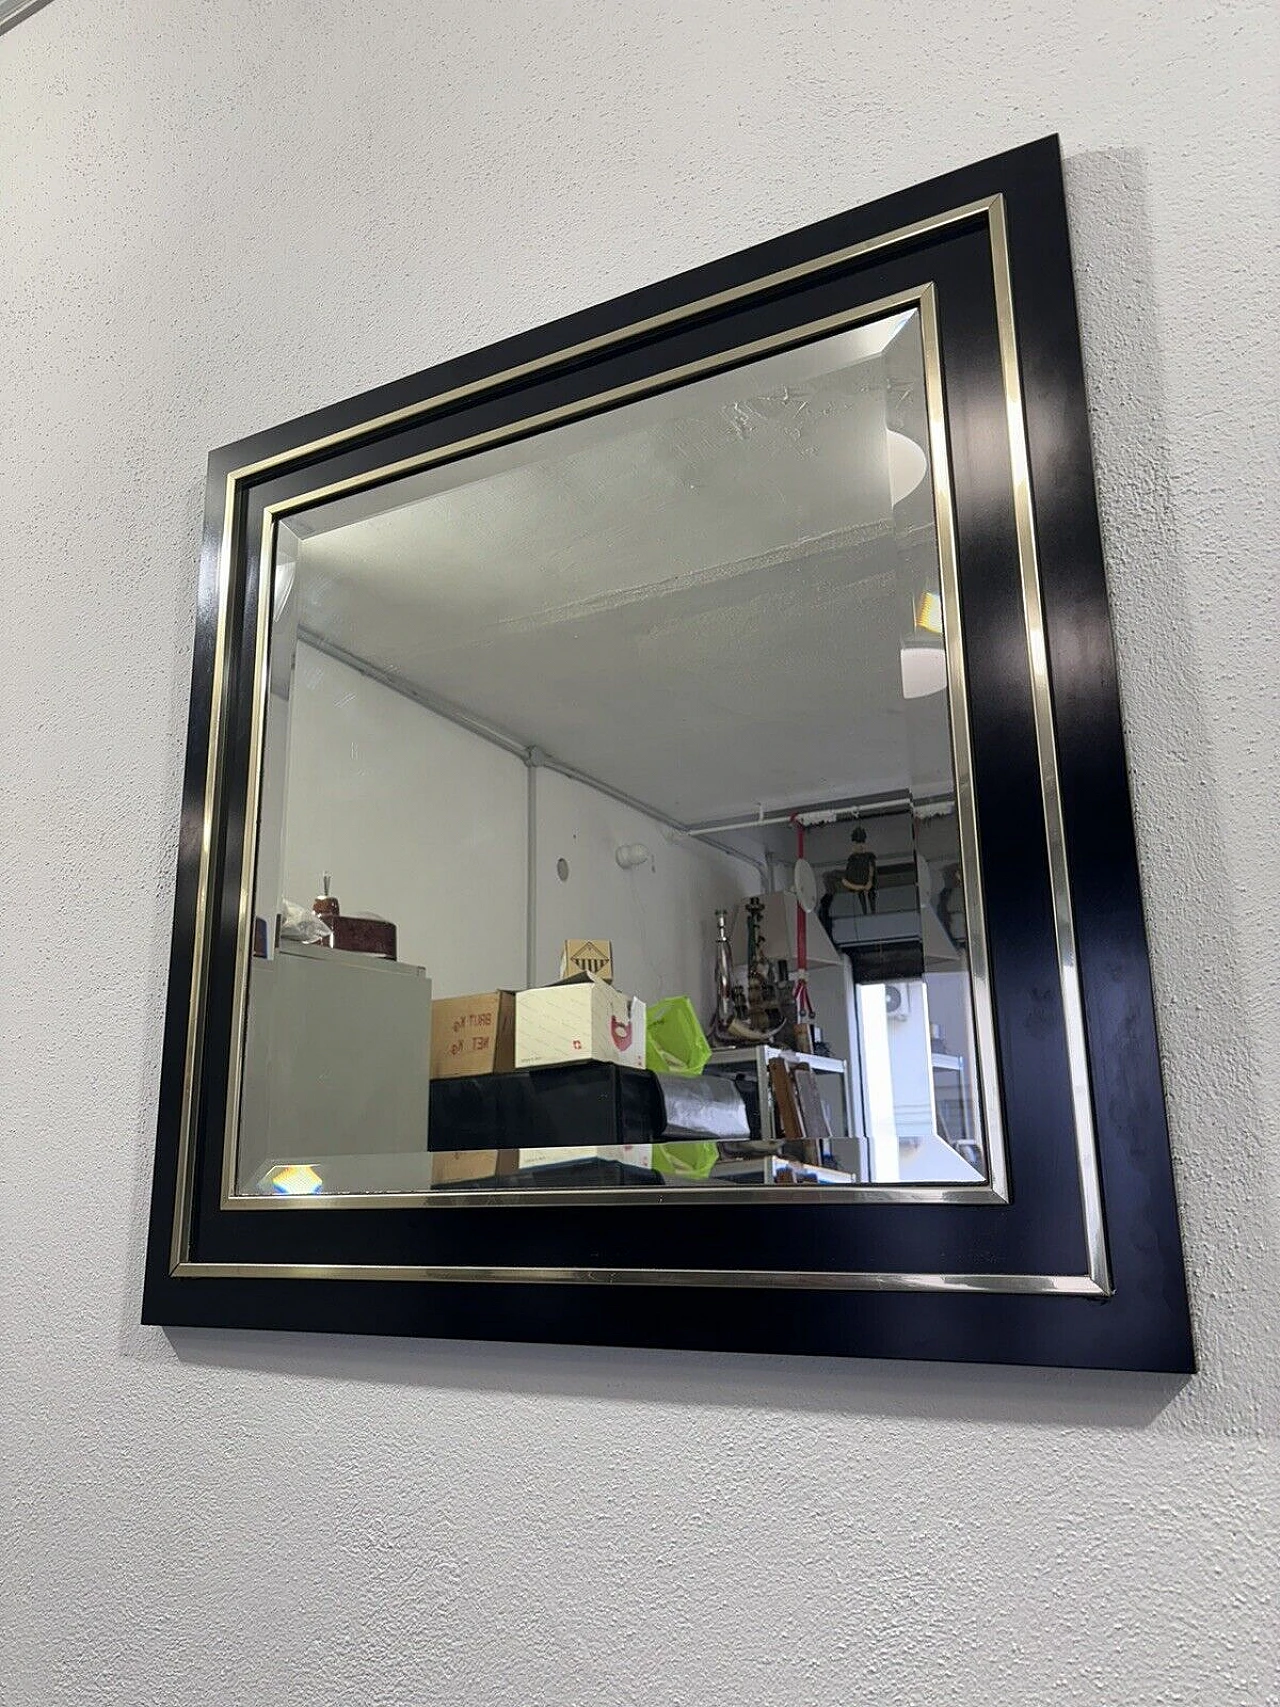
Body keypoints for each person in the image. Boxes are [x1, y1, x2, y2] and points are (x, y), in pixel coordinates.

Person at [818, 827, 878, 935]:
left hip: (855, 882)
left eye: (861, 843)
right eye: (858, 843)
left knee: (829, 876)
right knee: (828, 875)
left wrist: (865, 885)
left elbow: (870, 871)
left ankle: (829, 898)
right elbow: (849, 879)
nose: (860, 846)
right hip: (853, 881)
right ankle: (828, 897)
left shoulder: (866, 857)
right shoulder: (855, 857)